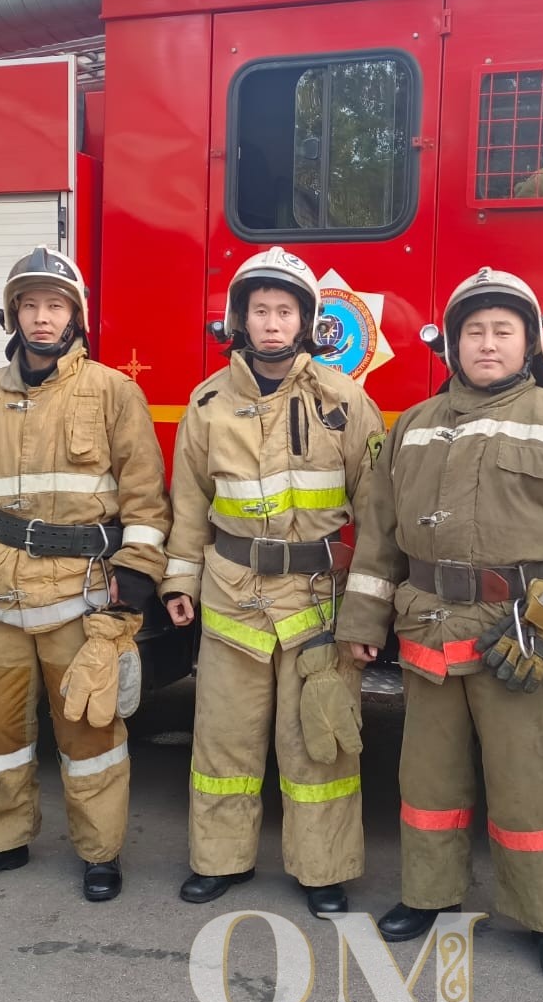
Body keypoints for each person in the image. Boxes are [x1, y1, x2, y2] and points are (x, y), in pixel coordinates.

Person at [336, 268, 543, 983]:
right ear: (453, 346)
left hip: (521, 634)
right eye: (473, 331)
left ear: (528, 342)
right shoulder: (411, 427)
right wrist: (363, 618)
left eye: (502, 330)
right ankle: (427, 897)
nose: (487, 343)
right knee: (427, 778)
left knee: (532, 781)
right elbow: (378, 538)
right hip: (429, 628)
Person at [0, 248, 170, 899]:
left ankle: (99, 854)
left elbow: (146, 499)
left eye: (53, 305)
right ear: (12, 314)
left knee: (90, 731)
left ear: (74, 316)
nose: (40, 317)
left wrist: (138, 571)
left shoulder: (113, 391)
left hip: (79, 593)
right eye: (29, 305)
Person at [162, 247, 386, 918]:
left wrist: (369, 613)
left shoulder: (344, 402)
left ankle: (324, 871)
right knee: (223, 737)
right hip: (231, 595)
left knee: (319, 737)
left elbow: (378, 517)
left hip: (315, 602)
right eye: (258, 310)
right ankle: (218, 860)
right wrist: (179, 579)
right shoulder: (207, 404)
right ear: (238, 318)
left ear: (306, 321)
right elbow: (187, 504)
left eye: (283, 310)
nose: (269, 323)